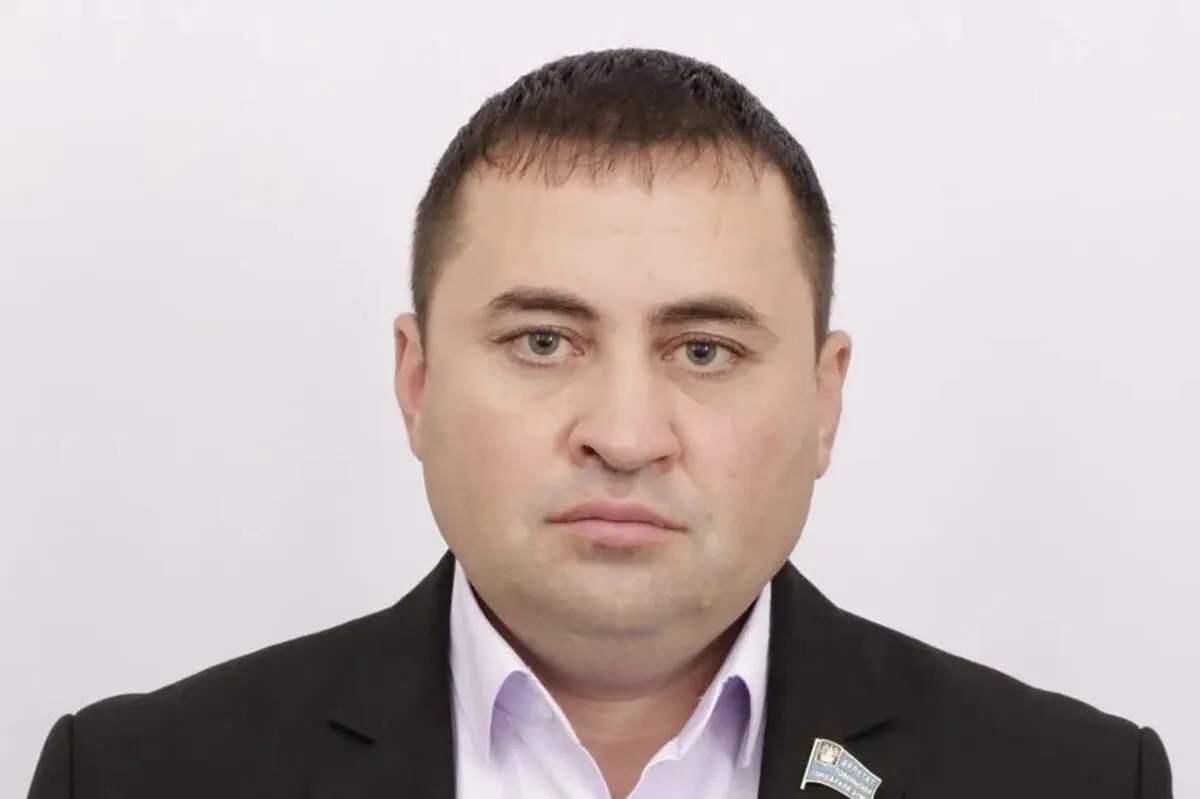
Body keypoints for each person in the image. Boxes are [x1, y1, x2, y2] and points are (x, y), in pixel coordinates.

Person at [26, 47, 1172, 799]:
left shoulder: (1070, 780)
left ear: (825, 401)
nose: (624, 434)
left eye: (705, 349)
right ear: (417, 381)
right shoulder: (136, 776)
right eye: (543, 340)